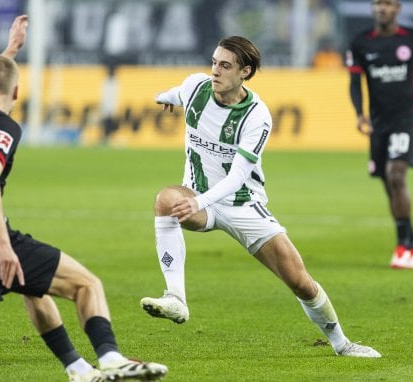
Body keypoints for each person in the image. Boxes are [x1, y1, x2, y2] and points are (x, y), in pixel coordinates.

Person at [0, 15, 167, 382]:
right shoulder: (2, 125)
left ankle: (77, 369)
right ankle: (111, 358)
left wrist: (9, 52)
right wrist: (3, 245)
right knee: (88, 284)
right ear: (17, 93)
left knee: (33, 285)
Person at [140, 36, 381, 358]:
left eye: (225, 66)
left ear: (245, 72)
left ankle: (342, 343)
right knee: (165, 200)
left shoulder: (256, 116)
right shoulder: (196, 87)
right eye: (214, 62)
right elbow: (174, 93)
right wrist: (164, 97)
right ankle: (176, 299)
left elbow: (238, 176)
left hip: (242, 204)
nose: (215, 71)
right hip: (197, 196)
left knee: (300, 282)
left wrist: (199, 202)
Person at [346, 0, 413, 269]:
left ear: (397, 8)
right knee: (387, 180)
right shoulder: (360, 42)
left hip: (408, 118)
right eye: (377, 3)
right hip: (378, 123)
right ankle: (411, 243)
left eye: (387, 4)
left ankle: (402, 246)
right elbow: (354, 81)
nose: (381, 9)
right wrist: (360, 114)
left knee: (396, 173)